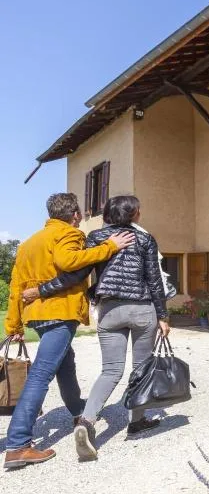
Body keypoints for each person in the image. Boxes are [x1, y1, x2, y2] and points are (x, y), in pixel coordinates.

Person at [23, 195, 171, 462]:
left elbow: (76, 275)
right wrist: (163, 316)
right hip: (141, 309)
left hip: (110, 311)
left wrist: (42, 290)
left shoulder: (95, 238)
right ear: (134, 214)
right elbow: (154, 279)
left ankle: (86, 422)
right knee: (141, 369)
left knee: (111, 370)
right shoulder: (145, 239)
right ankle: (136, 422)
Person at [3, 193, 134, 469]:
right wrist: (110, 246)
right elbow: (69, 262)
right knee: (40, 374)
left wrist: (14, 324)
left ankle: (78, 411)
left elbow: (16, 286)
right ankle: (17, 444)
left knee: (66, 363)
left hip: (36, 316)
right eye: (79, 215)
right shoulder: (69, 235)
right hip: (59, 313)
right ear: (75, 215)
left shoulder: (28, 244)